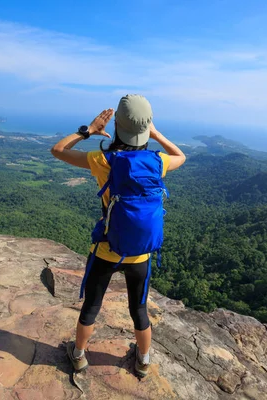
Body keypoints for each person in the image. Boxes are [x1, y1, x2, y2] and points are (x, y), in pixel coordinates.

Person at [50, 94, 186, 378]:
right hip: (141, 254)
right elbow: (181, 156)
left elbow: (58, 150)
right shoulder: (157, 161)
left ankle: (78, 356)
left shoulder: (103, 160)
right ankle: (143, 361)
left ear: (118, 128)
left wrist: (86, 131)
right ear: (145, 128)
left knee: (92, 305)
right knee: (138, 309)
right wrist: (156, 132)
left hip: (106, 249)